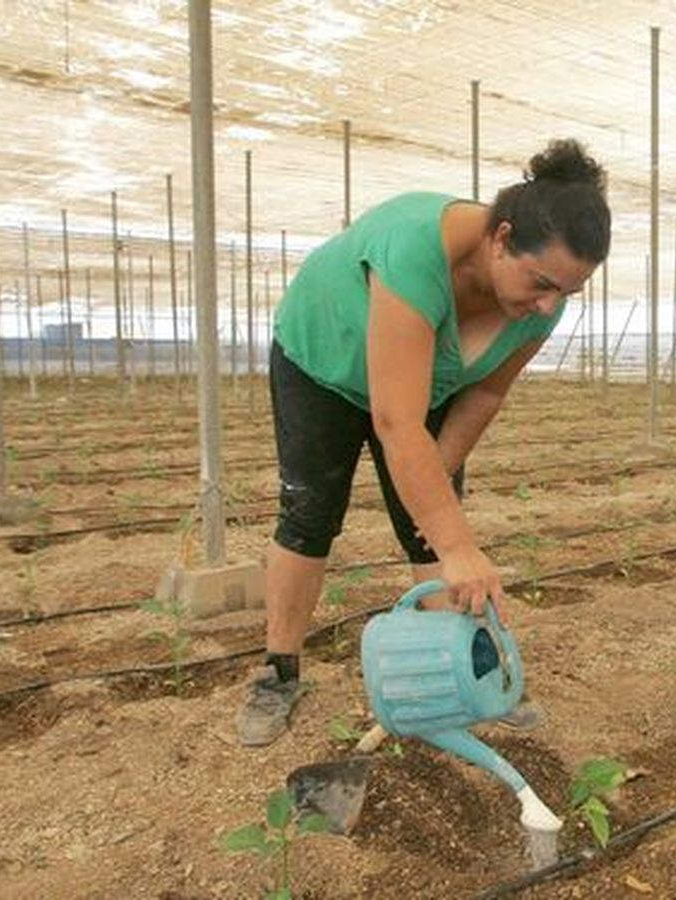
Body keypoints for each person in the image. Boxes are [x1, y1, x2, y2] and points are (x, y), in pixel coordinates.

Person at [237, 139, 611, 746]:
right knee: (309, 514)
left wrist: (433, 500)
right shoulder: (416, 246)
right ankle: (278, 673)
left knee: (432, 526)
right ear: (500, 236)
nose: (548, 306)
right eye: (541, 282)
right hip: (322, 364)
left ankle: (462, 674)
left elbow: (484, 396)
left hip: (423, 394)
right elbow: (395, 420)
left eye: (566, 293)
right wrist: (459, 544)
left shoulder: (541, 308)